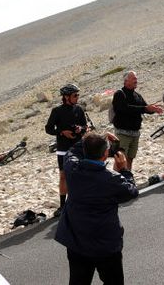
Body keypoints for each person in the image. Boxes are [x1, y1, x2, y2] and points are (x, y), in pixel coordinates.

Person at [55, 131, 139, 285]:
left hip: (76, 241)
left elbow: (72, 152)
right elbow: (131, 191)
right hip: (105, 244)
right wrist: (124, 170)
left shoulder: (72, 168)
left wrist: (90, 139)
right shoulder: (112, 179)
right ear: (106, 154)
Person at [46, 83, 89, 217]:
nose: (77, 97)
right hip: (63, 149)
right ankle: (62, 206)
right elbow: (48, 129)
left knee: (80, 175)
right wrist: (61, 132)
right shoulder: (57, 111)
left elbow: (85, 126)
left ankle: (81, 201)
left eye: (77, 95)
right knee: (63, 176)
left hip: (78, 147)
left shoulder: (79, 109)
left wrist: (80, 129)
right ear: (66, 97)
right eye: (75, 95)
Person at [112, 71, 164, 171]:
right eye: (133, 79)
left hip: (135, 134)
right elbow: (124, 108)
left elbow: (145, 108)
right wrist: (145, 108)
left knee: (130, 159)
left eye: (136, 78)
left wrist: (153, 109)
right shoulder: (119, 94)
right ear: (126, 81)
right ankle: (116, 181)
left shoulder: (137, 95)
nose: (136, 80)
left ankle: (128, 179)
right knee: (120, 159)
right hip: (122, 133)